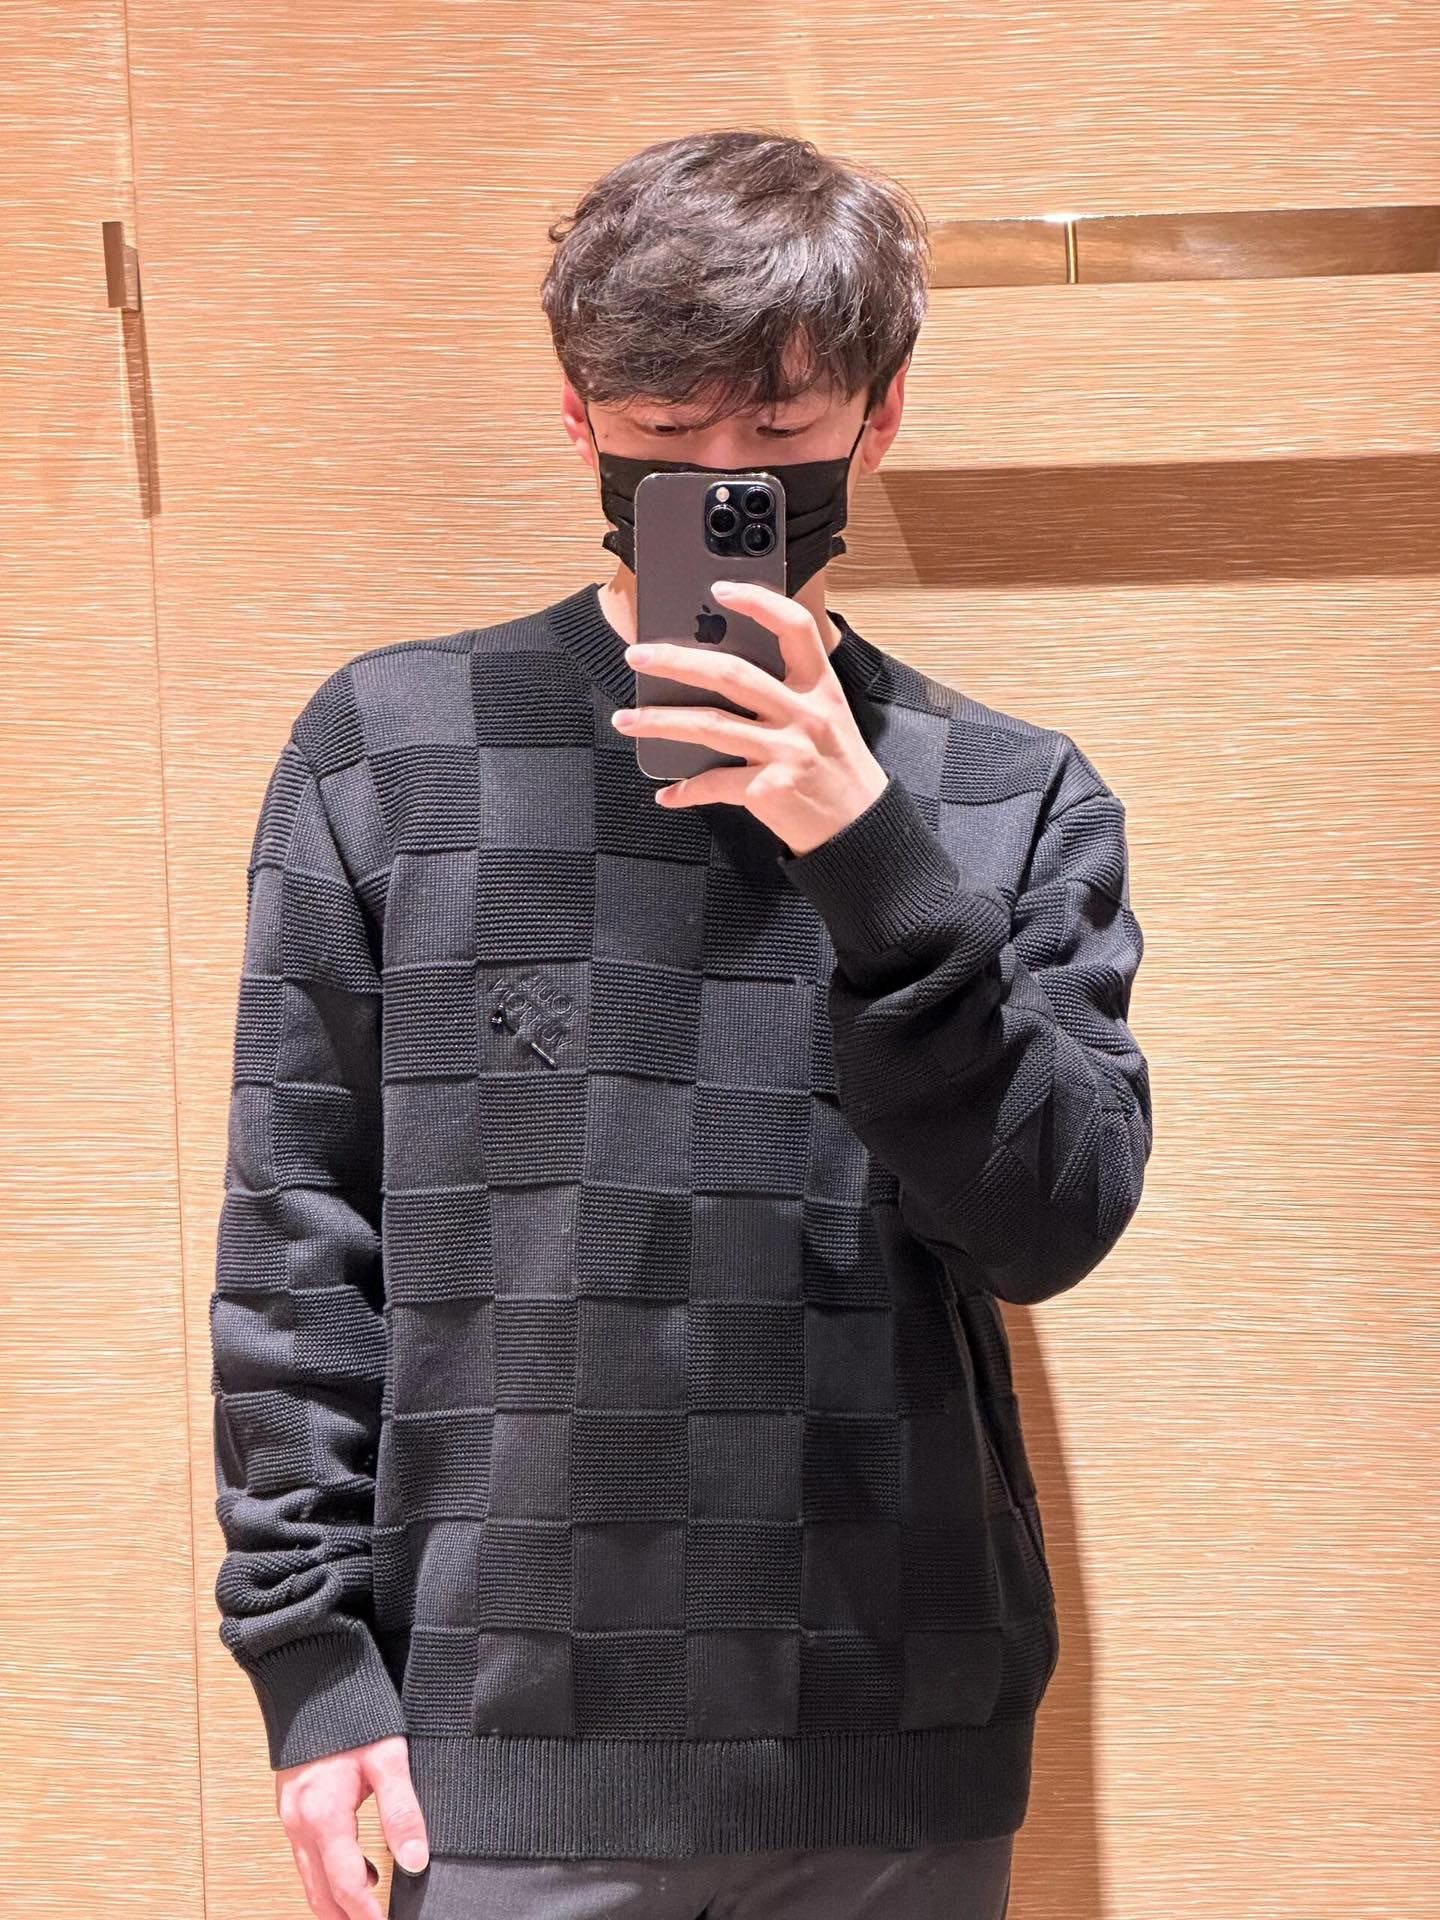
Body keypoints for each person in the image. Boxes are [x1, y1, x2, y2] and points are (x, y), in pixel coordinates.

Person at [209, 127, 1153, 1920]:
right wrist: (309, 1663)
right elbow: (297, 1239)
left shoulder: (1006, 796)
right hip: (498, 1749)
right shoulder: (391, 752)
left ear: (880, 418)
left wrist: (874, 858)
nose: (724, 478)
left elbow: (1050, 1225)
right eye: (666, 426)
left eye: (780, 428)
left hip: (897, 1742)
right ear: (579, 419)